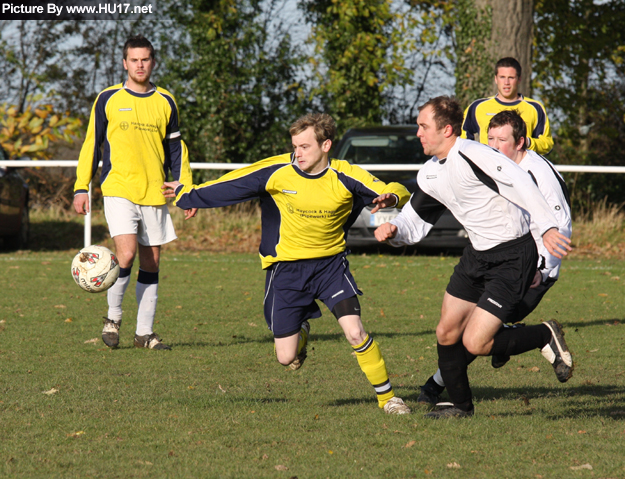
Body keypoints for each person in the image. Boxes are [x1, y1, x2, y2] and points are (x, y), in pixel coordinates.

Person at [162, 113, 412, 414]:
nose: (298, 153)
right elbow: (232, 184)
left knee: (355, 331)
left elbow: (395, 188)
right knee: (285, 357)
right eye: (295, 146)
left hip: (330, 266)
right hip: (286, 270)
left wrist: (392, 199)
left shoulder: (346, 175)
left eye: (305, 146)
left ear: (326, 145)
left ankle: (388, 399)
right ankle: (302, 330)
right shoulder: (278, 171)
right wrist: (189, 195)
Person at [375, 96, 573, 419]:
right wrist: (394, 230)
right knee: (446, 332)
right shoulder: (431, 173)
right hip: (476, 256)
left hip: (512, 256)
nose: (418, 133)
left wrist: (548, 226)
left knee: (477, 342)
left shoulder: (474, 154)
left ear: (447, 129)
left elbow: (520, 181)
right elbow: (414, 221)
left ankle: (542, 334)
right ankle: (462, 407)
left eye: (423, 126)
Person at [73, 35, 195, 350]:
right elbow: (92, 144)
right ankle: (113, 319)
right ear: (125, 63)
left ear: (152, 62)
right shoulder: (108, 98)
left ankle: (144, 333)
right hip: (118, 187)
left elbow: (176, 149)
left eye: (145, 59)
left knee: (151, 262)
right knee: (125, 254)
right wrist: (80, 187)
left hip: (155, 191)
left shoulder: (166, 101)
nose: (140, 65)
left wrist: (186, 189)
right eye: (134, 60)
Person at [461, 57, 554, 155]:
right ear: (496, 79)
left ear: (519, 79)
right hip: (488, 168)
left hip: (520, 168)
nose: (506, 83)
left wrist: (528, 142)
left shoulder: (535, 108)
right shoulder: (477, 107)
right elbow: (462, 140)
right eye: (502, 77)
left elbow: (547, 145)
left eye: (511, 78)